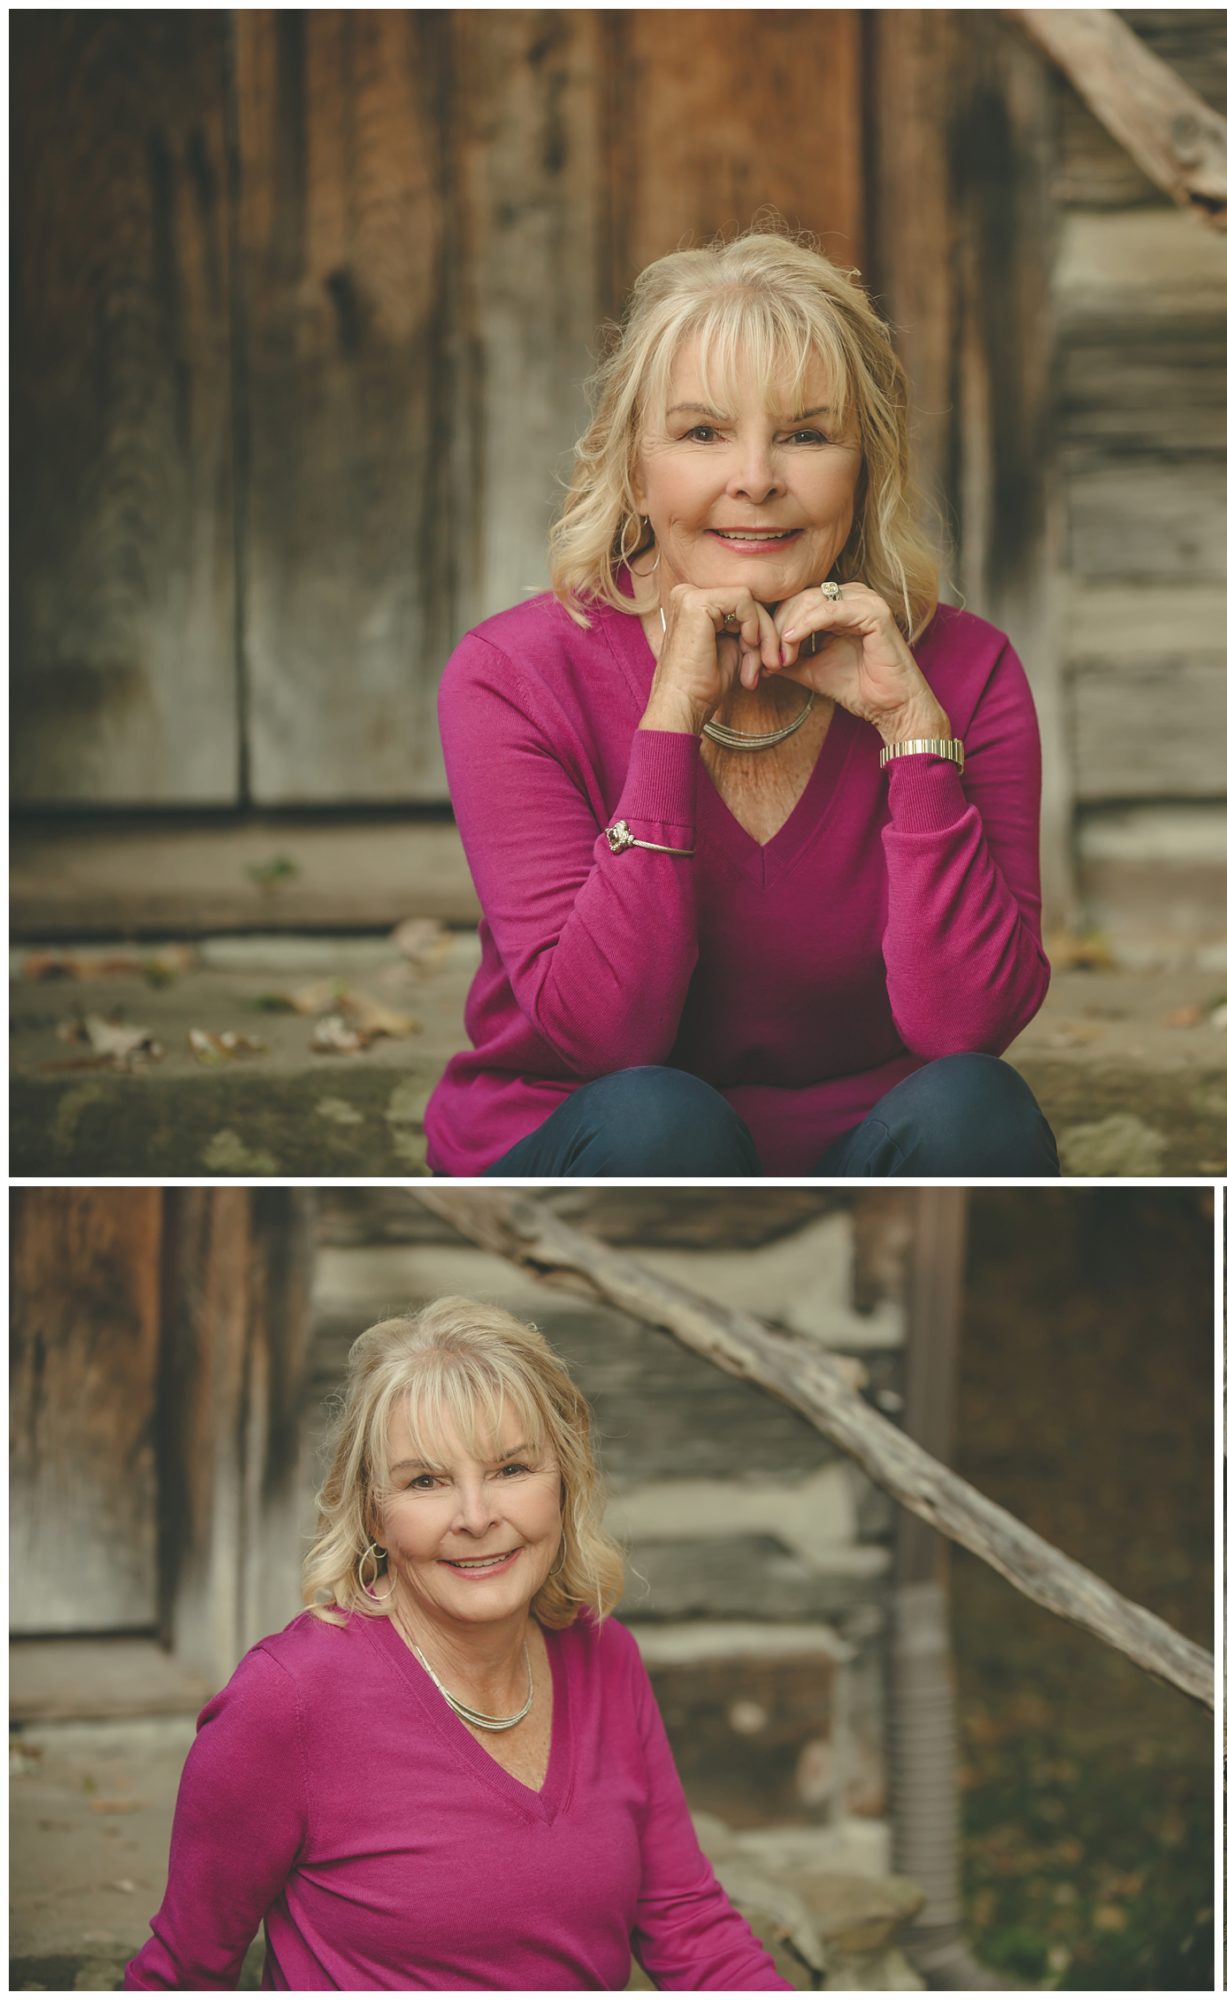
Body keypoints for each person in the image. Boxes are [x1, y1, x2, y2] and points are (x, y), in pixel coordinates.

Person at [424, 226, 1058, 1178]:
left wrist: (914, 737)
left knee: (980, 1108)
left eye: (805, 435)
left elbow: (965, 1027)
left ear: (863, 469)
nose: (755, 479)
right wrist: (668, 723)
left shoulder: (966, 676)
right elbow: (607, 1037)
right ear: (636, 469)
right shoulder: (513, 680)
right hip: (592, 1134)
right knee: (657, 1120)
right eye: (702, 433)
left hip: (855, 1151)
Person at [124, 1298, 792, 1991]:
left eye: (510, 1470)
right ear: (373, 1511)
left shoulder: (603, 1656)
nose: (476, 1518)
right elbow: (180, 1975)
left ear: (563, 1480)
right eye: (426, 1481)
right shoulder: (288, 1700)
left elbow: (686, 1922)